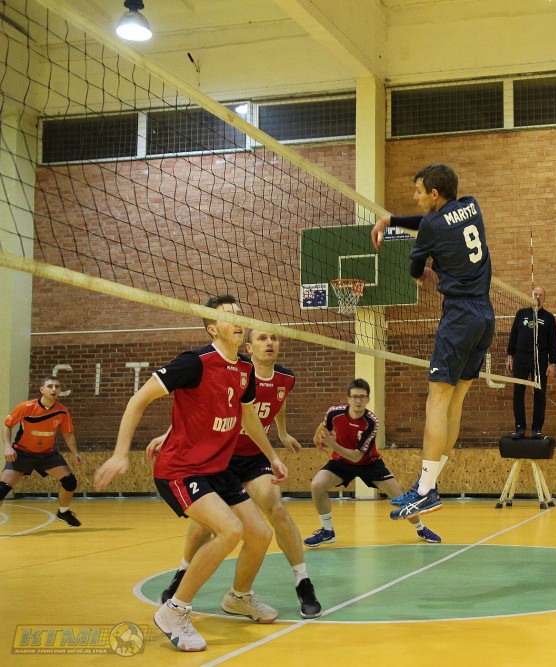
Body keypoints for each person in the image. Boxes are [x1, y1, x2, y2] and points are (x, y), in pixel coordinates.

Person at [94, 295, 289, 653]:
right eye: (227, 316)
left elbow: (248, 416)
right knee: (229, 530)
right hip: (180, 469)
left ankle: (238, 597)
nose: (237, 319)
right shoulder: (194, 363)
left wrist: (272, 455)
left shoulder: (244, 369)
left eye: (239, 313)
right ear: (212, 328)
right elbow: (139, 399)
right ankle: (175, 611)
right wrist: (121, 454)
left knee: (260, 534)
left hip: (217, 468)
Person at [149, 328, 322, 619]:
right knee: (206, 524)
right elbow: (201, 408)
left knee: (276, 508)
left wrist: (282, 432)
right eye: (262, 338)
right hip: (222, 454)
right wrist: (168, 434)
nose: (270, 343)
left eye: (274, 338)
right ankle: (182, 573)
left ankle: (302, 582)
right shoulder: (234, 371)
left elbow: (277, 403)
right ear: (248, 347)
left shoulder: (286, 378)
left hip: (254, 456)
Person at [371, 163, 495, 520]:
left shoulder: (431, 226)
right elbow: (429, 221)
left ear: (434, 194)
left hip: (458, 317)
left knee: (437, 401)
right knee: (454, 402)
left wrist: (420, 273)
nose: (416, 197)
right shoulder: (471, 205)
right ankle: (430, 484)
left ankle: (425, 491)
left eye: (419, 191)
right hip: (485, 316)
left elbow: (415, 267)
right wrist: (391, 219)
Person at [303, 378, 442, 546]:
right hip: (342, 462)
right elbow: (324, 425)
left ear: (368, 399)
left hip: (369, 464)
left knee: (400, 498)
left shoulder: (371, 422)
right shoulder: (334, 413)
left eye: (362, 397)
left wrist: (333, 445)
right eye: (355, 397)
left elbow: (356, 457)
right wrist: (317, 437)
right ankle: (327, 531)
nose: (358, 401)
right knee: (317, 485)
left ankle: (421, 528)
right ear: (348, 398)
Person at [2, 376, 83, 527]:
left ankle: (63, 512)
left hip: (46, 455)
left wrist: (75, 453)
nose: (54, 389)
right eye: (50, 386)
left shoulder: (63, 412)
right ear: (41, 390)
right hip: (22, 453)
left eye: (57, 386)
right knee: (2, 489)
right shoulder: (26, 407)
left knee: (70, 481)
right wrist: (7, 446)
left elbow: (68, 434)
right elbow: (7, 425)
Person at [506, 286, 556, 439]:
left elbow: (553, 342)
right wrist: (510, 355)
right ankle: (520, 427)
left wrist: (552, 363)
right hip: (521, 357)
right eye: (536, 294)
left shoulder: (549, 318)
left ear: (544, 298)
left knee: (539, 394)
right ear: (531, 296)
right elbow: (513, 335)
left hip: (540, 358)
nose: (538, 297)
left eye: (541, 295)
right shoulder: (521, 314)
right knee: (518, 393)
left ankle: (537, 429)